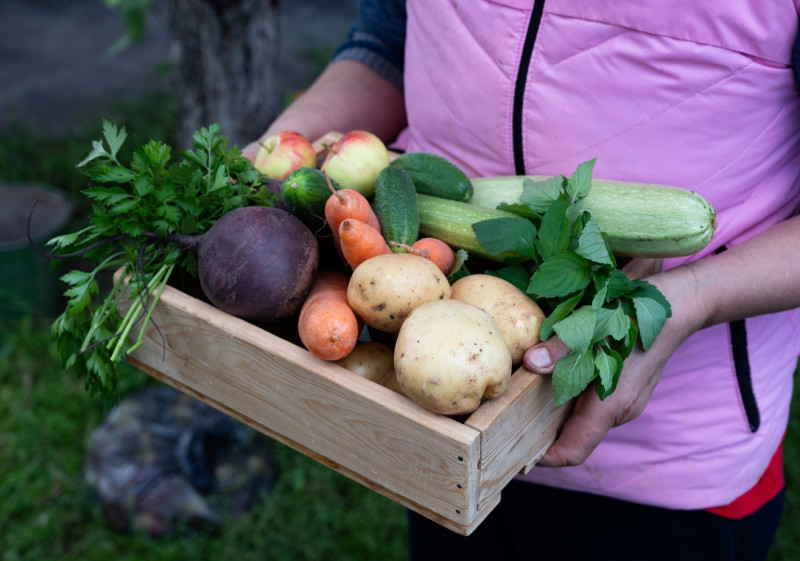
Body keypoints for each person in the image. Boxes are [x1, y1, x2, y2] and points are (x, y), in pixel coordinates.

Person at [245, 2, 800, 559]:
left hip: (677, 453)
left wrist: (696, 298)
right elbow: (387, 42)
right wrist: (268, 168)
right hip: (442, 422)